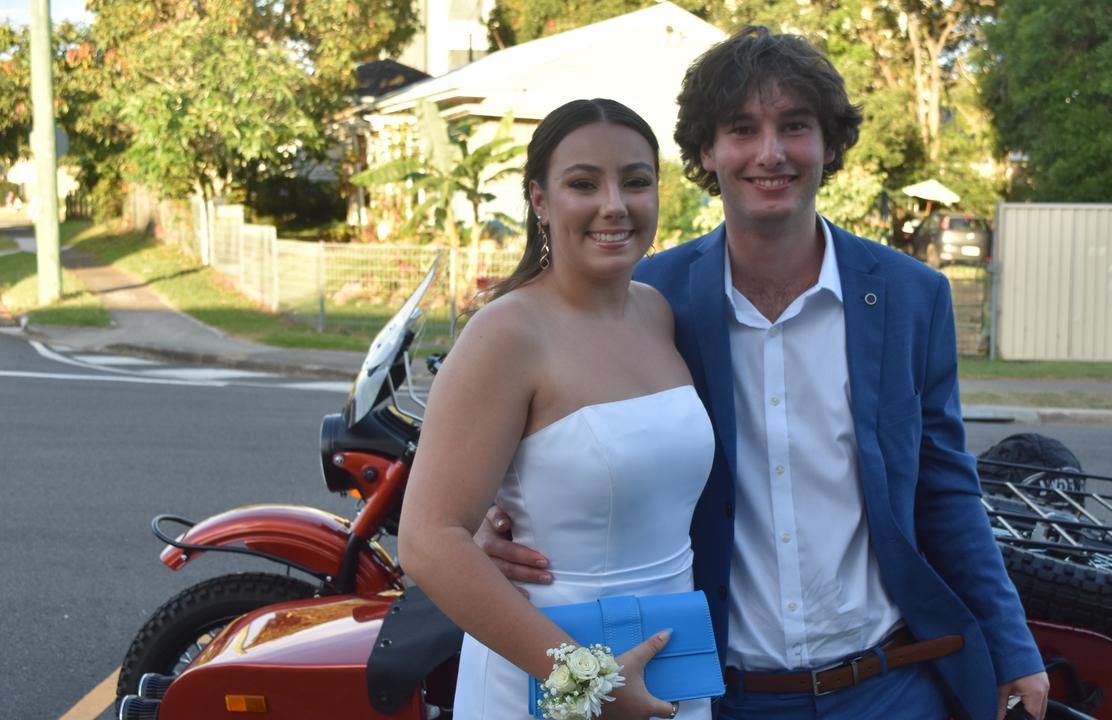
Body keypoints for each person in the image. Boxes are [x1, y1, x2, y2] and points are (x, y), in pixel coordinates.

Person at [478, 27, 1050, 720]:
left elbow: (944, 488)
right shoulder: (651, 299)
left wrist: (1012, 646)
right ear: (704, 153)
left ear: (830, 145)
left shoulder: (909, 296)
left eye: (795, 126)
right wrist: (494, 512)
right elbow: (548, 419)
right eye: (742, 129)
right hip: (715, 690)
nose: (770, 153)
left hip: (888, 686)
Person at [398, 98, 711, 720]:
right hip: (551, 677)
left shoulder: (658, 313)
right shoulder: (505, 333)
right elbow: (429, 539)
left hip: (672, 662)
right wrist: (588, 682)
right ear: (540, 200)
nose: (614, 204)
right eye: (583, 183)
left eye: (636, 181)